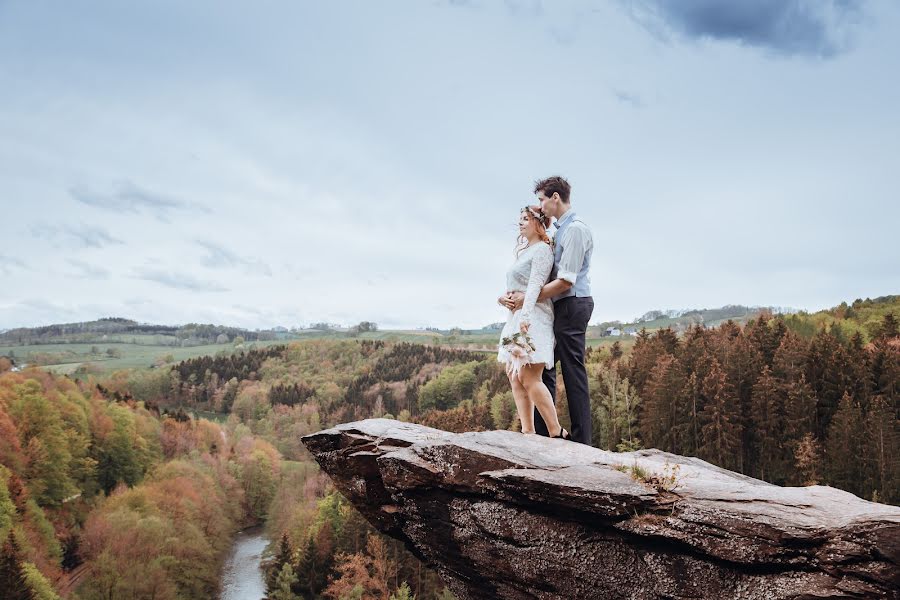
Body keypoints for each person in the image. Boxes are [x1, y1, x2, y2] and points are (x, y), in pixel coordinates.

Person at [501, 176, 594, 445]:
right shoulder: (558, 231)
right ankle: (543, 434)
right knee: (541, 368)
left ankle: (580, 440)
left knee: (573, 369)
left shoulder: (575, 229)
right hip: (556, 305)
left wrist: (526, 300)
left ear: (555, 198)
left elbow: (566, 280)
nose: (540, 205)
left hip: (573, 304)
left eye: (543, 199)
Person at [496, 206, 570, 439]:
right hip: (516, 317)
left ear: (539, 224)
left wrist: (525, 317)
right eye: (519, 219)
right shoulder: (524, 252)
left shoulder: (542, 251)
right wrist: (502, 298)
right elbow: (517, 287)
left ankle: (556, 431)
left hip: (534, 317)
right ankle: (528, 432)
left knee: (529, 377)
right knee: (514, 375)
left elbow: (536, 286)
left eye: (525, 219)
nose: (520, 223)